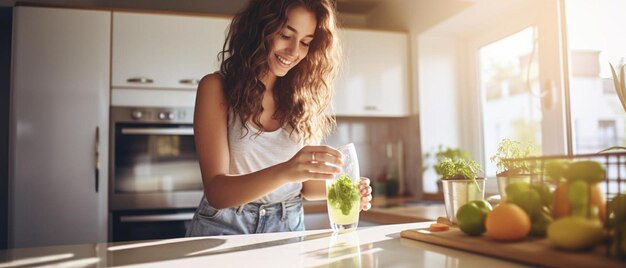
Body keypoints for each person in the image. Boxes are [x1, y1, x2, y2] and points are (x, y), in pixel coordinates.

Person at [186, 0, 372, 237]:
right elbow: (217, 192)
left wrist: (345, 190)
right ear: (260, 29)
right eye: (286, 35)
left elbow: (306, 186)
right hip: (224, 227)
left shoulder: (304, 99)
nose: (294, 51)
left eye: (305, 42)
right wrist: (287, 170)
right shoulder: (216, 88)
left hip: (287, 226)